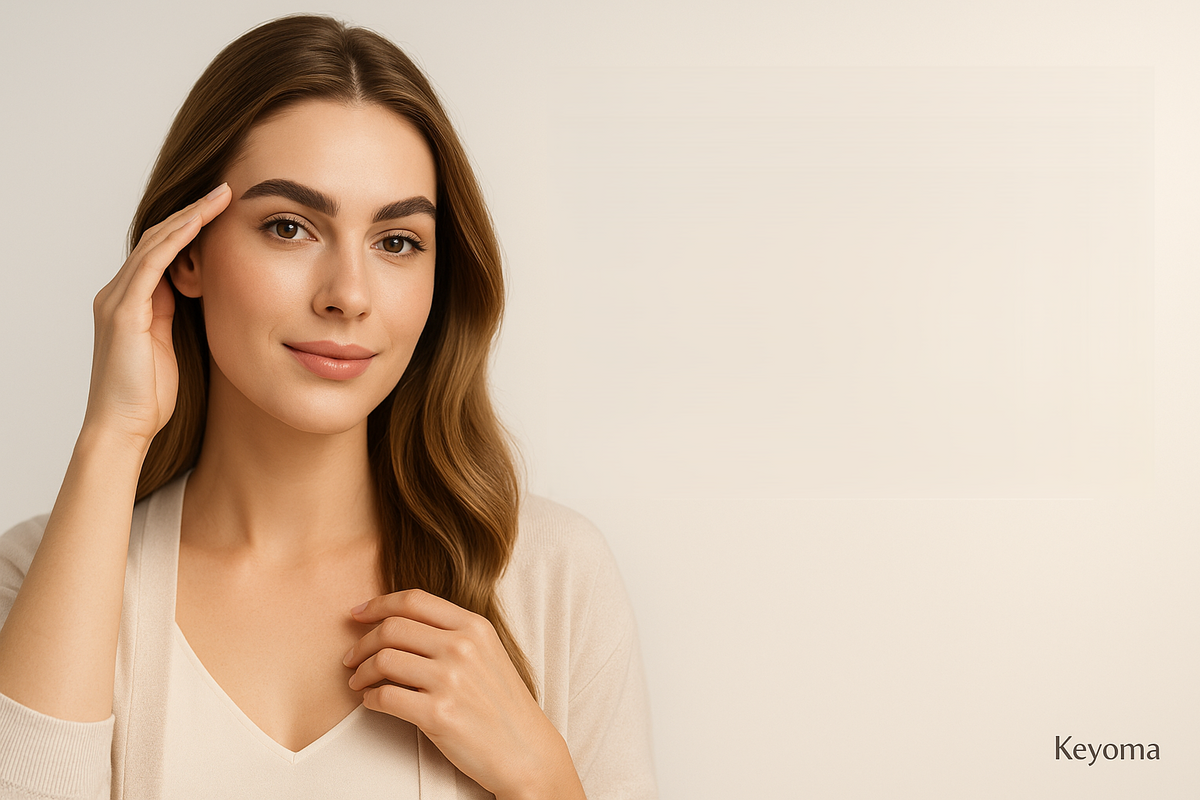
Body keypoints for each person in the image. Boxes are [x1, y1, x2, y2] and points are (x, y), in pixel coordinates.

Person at [0, 14, 655, 800]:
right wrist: (112, 435)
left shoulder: (553, 577)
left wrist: (541, 780)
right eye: (289, 227)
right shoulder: (39, 573)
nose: (348, 295)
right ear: (186, 255)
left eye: (397, 241)